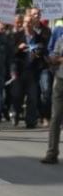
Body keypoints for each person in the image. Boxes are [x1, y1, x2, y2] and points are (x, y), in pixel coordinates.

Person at [12, 14, 45, 129]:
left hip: (32, 71)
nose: (28, 24)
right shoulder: (16, 36)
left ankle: (30, 121)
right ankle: (16, 113)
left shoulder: (39, 37)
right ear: (23, 23)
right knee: (17, 96)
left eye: (30, 22)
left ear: (33, 23)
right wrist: (18, 48)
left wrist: (37, 52)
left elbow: (42, 52)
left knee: (32, 97)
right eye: (26, 22)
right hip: (19, 71)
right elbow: (10, 52)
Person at [41, 31, 63, 164]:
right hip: (60, 80)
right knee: (55, 118)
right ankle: (52, 152)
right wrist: (55, 59)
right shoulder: (61, 39)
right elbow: (54, 56)